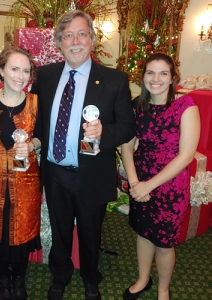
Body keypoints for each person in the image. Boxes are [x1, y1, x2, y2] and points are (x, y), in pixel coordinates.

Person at [30, 10, 136, 300]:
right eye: (68, 36)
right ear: (59, 42)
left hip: (91, 173)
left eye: (81, 34)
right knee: (60, 230)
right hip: (55, 172)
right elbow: (37, 121)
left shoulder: (114, 80)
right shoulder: (47, 76)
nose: (75, 41)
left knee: (90, 233)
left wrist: (104, 132)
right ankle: (60, 275)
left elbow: (127, 127)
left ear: (91, 39)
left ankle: (91, 279)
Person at [121, 53, 200, 300]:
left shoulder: (186, 105)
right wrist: (135, 184)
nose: (156, 79)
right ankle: (143, 279)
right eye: (150, 73)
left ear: (172, 78)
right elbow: (126, 147)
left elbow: (186, 156)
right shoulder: (136, 106)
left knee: (164, 244)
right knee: (143, 234)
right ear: (143, 76)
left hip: (170, 184)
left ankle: (163, 290)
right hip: (140, 178)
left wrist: (147, 186)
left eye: (163, 73)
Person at [0, 46, 42, 300]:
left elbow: (45, 136)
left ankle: (18, 279)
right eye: (14, 69)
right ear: (2, 70)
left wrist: (32, 144)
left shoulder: (36, 103)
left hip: (25, 182)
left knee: (21, 233)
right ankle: (2, 279)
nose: (20, 76)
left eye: (26, 71)